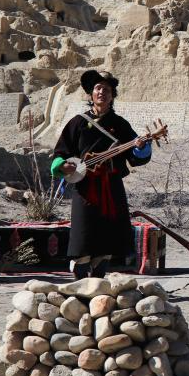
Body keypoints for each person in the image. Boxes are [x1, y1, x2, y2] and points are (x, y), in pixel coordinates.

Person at [51, 70, 152, 279]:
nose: (102, 92)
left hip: (111, 187)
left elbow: (136, 157)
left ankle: (98, 283)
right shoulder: (78, 122)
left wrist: (141, 147)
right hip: (85, 187)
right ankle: (80, 283)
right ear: (91, 94)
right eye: (98, 88)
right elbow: (61, 153)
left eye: (107, 89)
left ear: (112, 95)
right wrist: (63, 165)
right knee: (83, 236)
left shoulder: (120, 124)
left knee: (106, 241)